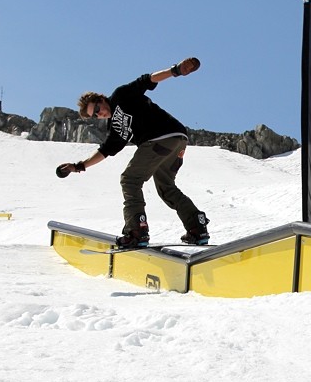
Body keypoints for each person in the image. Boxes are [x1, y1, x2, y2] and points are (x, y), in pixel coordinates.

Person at [57, 57, 210, 247]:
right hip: (176, 140)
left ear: (102, 99)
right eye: (94, 115)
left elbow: (147, 80)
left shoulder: (121, 95)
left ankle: (137, 231)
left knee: (130, 179)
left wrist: (176, 70)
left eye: (97, 108)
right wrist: (79, 166)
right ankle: (197, 227)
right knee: (166, 187)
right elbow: (105, 151)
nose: (99, 114)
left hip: (161, 137)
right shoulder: (115, 129)